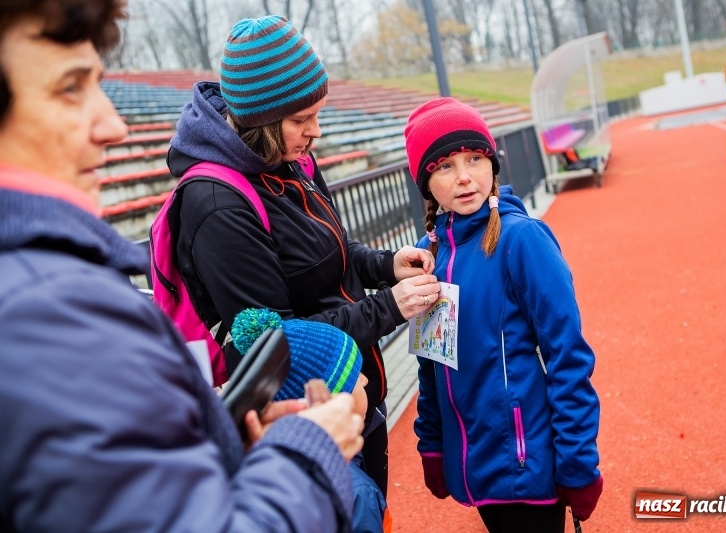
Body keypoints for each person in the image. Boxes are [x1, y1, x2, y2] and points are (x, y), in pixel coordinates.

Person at [0, 2, 364, 531]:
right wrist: (311, 448)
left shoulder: (49, 287)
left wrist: (224, 435)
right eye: (70, 87)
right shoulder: (44, 307)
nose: (113, 126)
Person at [160, 14, 440, 497]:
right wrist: (390, 307)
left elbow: (331, 251)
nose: (316, 131)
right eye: (301, 120)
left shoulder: (287, 156)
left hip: (356, 393)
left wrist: (384, 264)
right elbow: (276, 344)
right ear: (262, 120)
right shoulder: (217, 205)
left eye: (317, 114)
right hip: (307, 418)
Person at [403, 97, 603, 533]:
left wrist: (578, 462)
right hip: (472, 465)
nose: (464, 177)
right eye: (444, 166)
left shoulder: (522, 240)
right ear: (426, 183)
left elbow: (568, 356)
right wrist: (432, 443)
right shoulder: (427, 254)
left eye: (475, 158)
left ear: (492, 164)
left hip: (527, 463)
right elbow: (430, 363)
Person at [231, 308, 393, 533]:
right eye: (355, 376)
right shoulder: (357, 491)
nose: (365, 380)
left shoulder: (263, 474)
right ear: (330, 401)